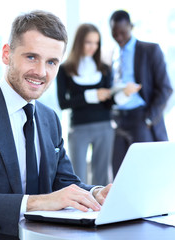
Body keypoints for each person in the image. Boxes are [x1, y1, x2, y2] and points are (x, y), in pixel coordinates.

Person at [0, 10, 112, 240]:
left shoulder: (50, 118)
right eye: (31, 57)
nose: (41, 72)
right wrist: (39, 202)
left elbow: (65, 182)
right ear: (6, 54)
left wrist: (96, 193)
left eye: (51, 62)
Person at [109, 10, 173, 177]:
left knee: (145, 173)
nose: (119, 37)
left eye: (123, 32)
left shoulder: (150, 50)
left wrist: (148, 118)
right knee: (119, 174)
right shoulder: (113, 55)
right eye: (114, 33)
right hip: (118, 120)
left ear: (131, 27)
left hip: (141, 119)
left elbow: (165, 88)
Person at [56, 23, 114, 185]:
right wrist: (92, 95)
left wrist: (119, 94)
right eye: (89, 42)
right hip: (79, 128)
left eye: (96, 43)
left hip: (104, 126)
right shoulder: (65, 69)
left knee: (102, 176)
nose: (93, 47)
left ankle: (101, 209)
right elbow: (63, 103)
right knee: (77, 175)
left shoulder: (105, 69)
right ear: (79, 42)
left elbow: (110, 103)